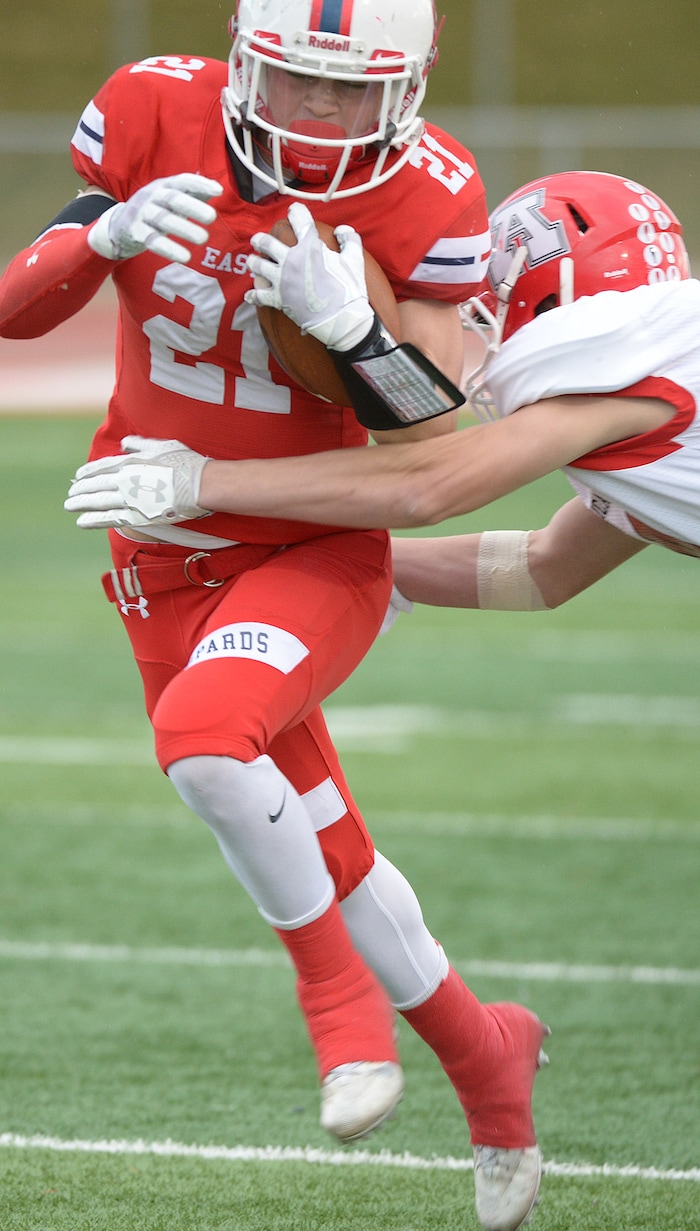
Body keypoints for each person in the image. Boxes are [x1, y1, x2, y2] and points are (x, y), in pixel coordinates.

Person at [1, 6, 550, 1231]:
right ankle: (488, 1061)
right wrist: (103, 236)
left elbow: (429, 434)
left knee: (204, 742)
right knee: (328, 844)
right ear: (246, 61)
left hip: (312, 543)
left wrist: (356, 332)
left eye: (351, 92)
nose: (320, 113)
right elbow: (15, 313)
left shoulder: (430, 193)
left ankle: (339, 1016)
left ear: (404, 92)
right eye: (296, 79)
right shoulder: (152, 112)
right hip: (158, 545)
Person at [70, 171, 699, 617]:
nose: (491, 334)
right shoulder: (659, 387)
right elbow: (543, 569)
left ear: (560, 300)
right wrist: (334, 564)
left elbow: (426, 483)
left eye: (494, 312)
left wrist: (200, 483)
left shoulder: (635, 355)